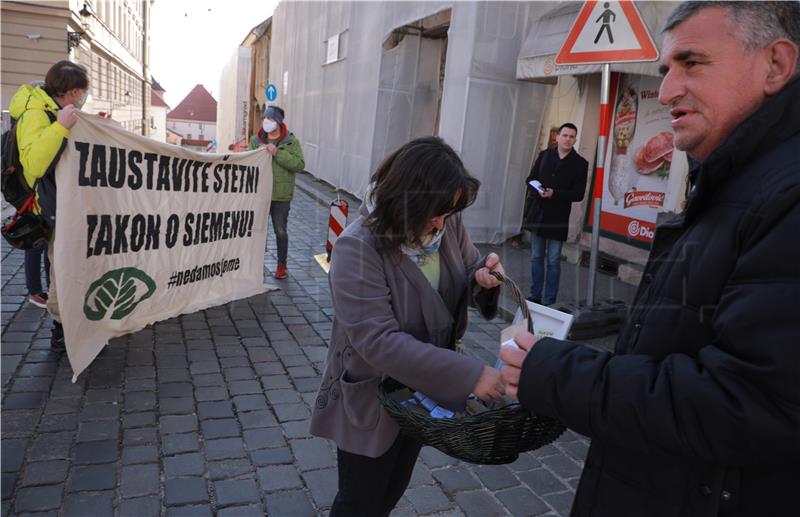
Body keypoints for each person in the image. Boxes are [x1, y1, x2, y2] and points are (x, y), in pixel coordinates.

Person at [501, 2, 800, 515]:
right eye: (665, 70)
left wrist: (557, 374)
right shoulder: (737, 178)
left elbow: (750, 402)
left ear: (774, 65)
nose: (665, 92)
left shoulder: (785, 194)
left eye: (693, 63)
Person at [310, 136, 506, 517]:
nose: (440, 223)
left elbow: (465, 270)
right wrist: (469, 375)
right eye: (435, 211)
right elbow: (378, 341)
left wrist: (481, 277)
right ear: (407, 200)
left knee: (390, 493)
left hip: (422, 396)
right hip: (372, 399)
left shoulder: (445, 225)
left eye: (448, 212)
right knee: (359, 502)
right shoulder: (358, 247)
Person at [9, 60, 88, 352]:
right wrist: (60, 127)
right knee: (61, 269)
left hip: (58, 201)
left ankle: (64, 325)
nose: (81, 98)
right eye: (80, 93)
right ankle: (61, 329)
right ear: (73, 91)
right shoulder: (35, 114)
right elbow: (35, 163)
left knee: (59, 265)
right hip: (48, 205)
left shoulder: (48, 109)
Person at [522, 123, 588, 305]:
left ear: (575, 139)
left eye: (571, 136)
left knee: (553, 260)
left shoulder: (580, 164)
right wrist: (539, 190)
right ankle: (534, 296)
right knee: (536, 257)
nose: (567, 139)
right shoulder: (545, 155)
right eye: (565, 135)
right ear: (557, 137)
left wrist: (555, 193)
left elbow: (579, 194)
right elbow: (530, 179)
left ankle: (549, 300)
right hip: (539, 214)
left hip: (558, 218)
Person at [248, 105, 304, 279]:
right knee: (258, 230)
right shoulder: (255, 140)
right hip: (260, 195)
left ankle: (281, 266)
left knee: (280, 230)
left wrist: (278, 153)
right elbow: (248, 163)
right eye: (265, 118)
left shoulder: (290, 141)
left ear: (278, 122)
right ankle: (256, 264)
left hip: (281, 195)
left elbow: (299, 164)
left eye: (271, 119)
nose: (266, 121)